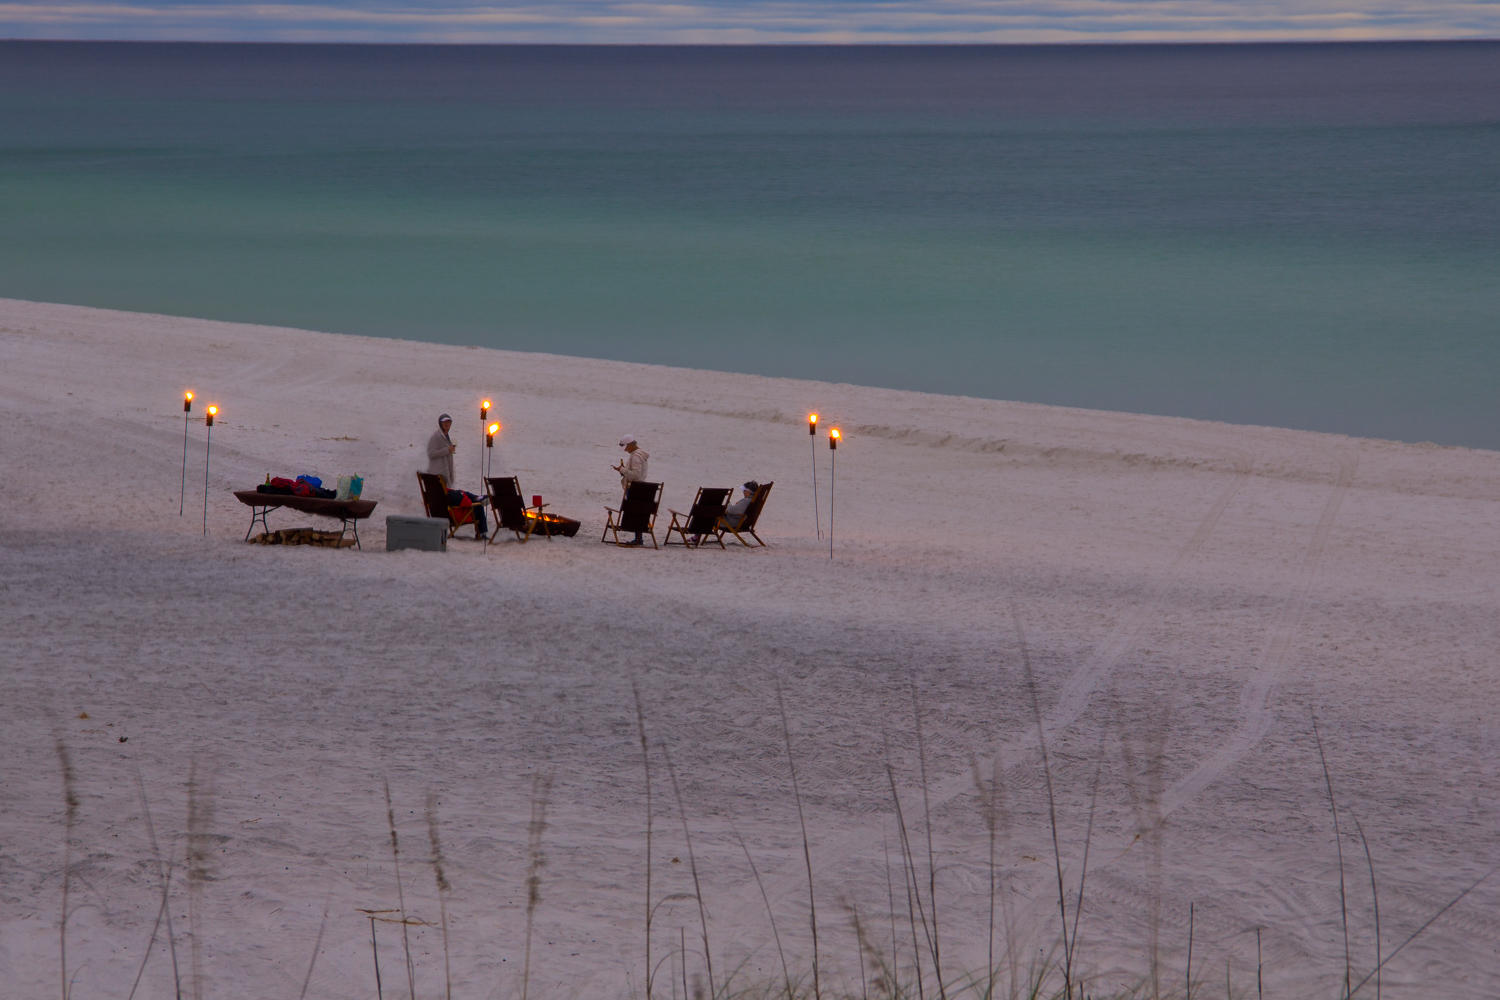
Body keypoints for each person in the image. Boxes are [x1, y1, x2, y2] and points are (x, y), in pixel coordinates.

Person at [426, 413, 488, 539]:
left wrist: (449, 452)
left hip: (443, 481)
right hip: (440, 479)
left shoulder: (445, 436)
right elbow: (431, 453)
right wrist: (447, 450)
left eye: (449, 422)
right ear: (440, 423)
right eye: (445, 422)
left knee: (461, 493)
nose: (447, 424)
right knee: (465, 498)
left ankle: (477, 497)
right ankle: (477, 499)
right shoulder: (436, 437)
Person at [612, 434, 650, 545]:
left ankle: (638, 539)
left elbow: (636, 475)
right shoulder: (640, 455)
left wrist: (622, 470)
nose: (625, 450)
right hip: (641, 488)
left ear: (631, 445)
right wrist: (622, 470)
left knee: (635, 513)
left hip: (635, 489)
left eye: (625, 447)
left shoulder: (636, 456)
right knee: (639, 513)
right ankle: (639, 538)